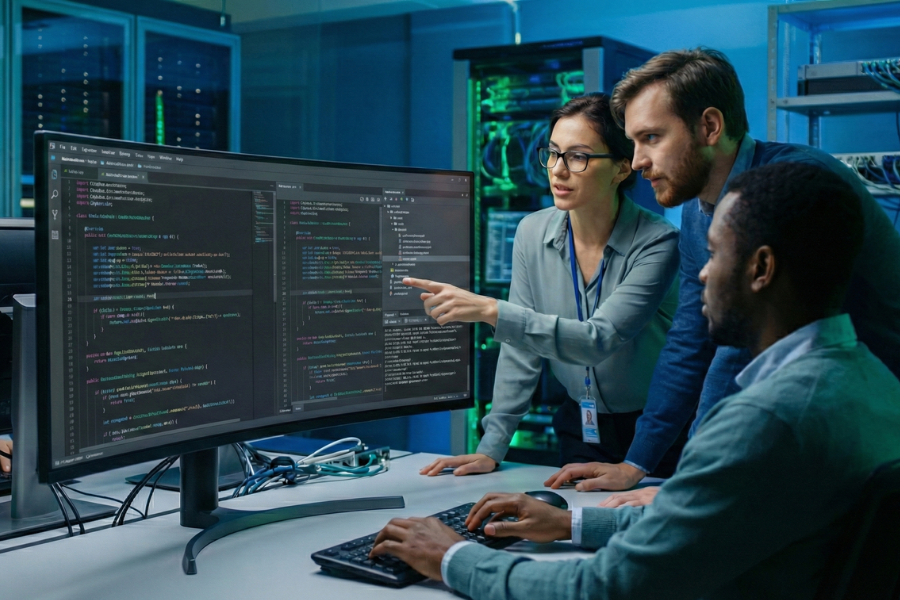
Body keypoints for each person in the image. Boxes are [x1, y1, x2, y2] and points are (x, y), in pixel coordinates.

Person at [368, 162, 900, 600]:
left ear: (760, 268)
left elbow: (610, 588)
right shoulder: (870, 381)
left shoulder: (763, 420)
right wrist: (570, 525)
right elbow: (701, 530)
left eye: (715, 254)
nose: (701, 274)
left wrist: (453, 557)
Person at [544, 47, 900, 497]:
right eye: (634, 142)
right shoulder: (699, 209)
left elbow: (737, 348)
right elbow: (692, 337)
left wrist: (693, 478)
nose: (636, 162)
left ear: (710, 126)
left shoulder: (788, 187)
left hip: (869, 424)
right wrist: (637, 462)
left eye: (652, 138)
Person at [409, 93, 682, 479]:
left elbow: (598, 338)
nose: (557, 170)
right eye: (552, 153)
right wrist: (491, 448)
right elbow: (521, 348)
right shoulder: (531, 232)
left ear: (623, 168)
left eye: (577, 157)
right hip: (580, 426)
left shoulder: (659, 243)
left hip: (659, 432)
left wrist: (491, 310)